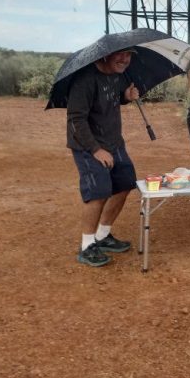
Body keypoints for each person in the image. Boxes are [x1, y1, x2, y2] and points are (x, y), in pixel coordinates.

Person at [67, 49, 139, 267]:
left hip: (114, 142)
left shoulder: (116, 76)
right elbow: (76, 119)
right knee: (98, 192)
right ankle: (87, 246)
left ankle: (103, 235)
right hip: (88, 145)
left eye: (128, 56)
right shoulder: (85, 81)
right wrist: (95, 150)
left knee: (125, 184)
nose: (125, 60)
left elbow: (112, 97)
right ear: (105, 56)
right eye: (120, 55)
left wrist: (125, 97)